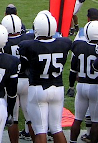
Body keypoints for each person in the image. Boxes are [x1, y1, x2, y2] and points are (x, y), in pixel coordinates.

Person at [18, 11, 72, 143]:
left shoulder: (28, 45)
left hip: (38, 88)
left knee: (40, 130)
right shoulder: (64, 43)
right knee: (56, 128)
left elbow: (23, 67)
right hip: (57, 88)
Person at [68, 21, 98, 143]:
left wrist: (71, 86)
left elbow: (73, 70)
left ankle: (73, 141)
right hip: (97, 87)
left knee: (78, 119)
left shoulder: (78, 46)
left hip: (82, 85)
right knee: (96, 120)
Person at [0, 7, 34, 143]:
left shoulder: (2, 42)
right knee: (30, 117)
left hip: (10, 84)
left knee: (13, 118)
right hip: (26, 81)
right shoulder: (28, 39)